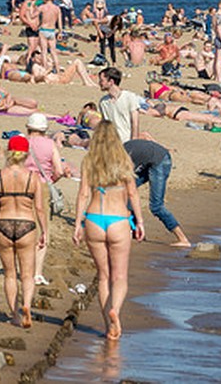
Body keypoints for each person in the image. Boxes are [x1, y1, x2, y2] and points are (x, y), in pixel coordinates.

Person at [72, 121, 144, 340]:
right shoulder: (124, 161)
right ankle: (116, 310)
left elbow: (83, 194)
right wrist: (139, 221)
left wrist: (77, 223)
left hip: (94, 219)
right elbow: (133, 194)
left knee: (103, 276)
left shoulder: (88, 161)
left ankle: (108, 325)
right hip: (118, 219)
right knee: (119, 276)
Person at [0, 135, 47, 328]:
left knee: (9, 274)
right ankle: (27, 305)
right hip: (26, 225)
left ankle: (15, 314)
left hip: (4, 223)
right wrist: (44, 231)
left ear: (10, 153)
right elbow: (40, 208)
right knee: (27, 274)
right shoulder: (33, 177)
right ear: (26, 155)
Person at [23, 113, 71, 286]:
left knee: (22, 226)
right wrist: (51, 182)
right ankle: (36, 273)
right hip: (41, 186)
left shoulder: (21, 141)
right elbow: (58, 170)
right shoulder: (50, 145)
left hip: (21, 184)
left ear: (28, 127)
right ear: (44, 129)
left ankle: (23, 268)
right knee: (43, 230)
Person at [124, 138, 190, 247]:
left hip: (161, 160)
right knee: (125, 191)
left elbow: (128, 181)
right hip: (150, 161)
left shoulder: (123, 157)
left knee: (156, 206)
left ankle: (183, 239)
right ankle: (135, 231)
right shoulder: (119, 152)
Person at [98, 67, 140, 143]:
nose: (99, 83)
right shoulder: (103, 102)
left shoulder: (129, 97)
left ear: (111, 82)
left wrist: (134, 142)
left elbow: (135, 123)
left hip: (127, 141)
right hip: (111, 143)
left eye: (102, 80)